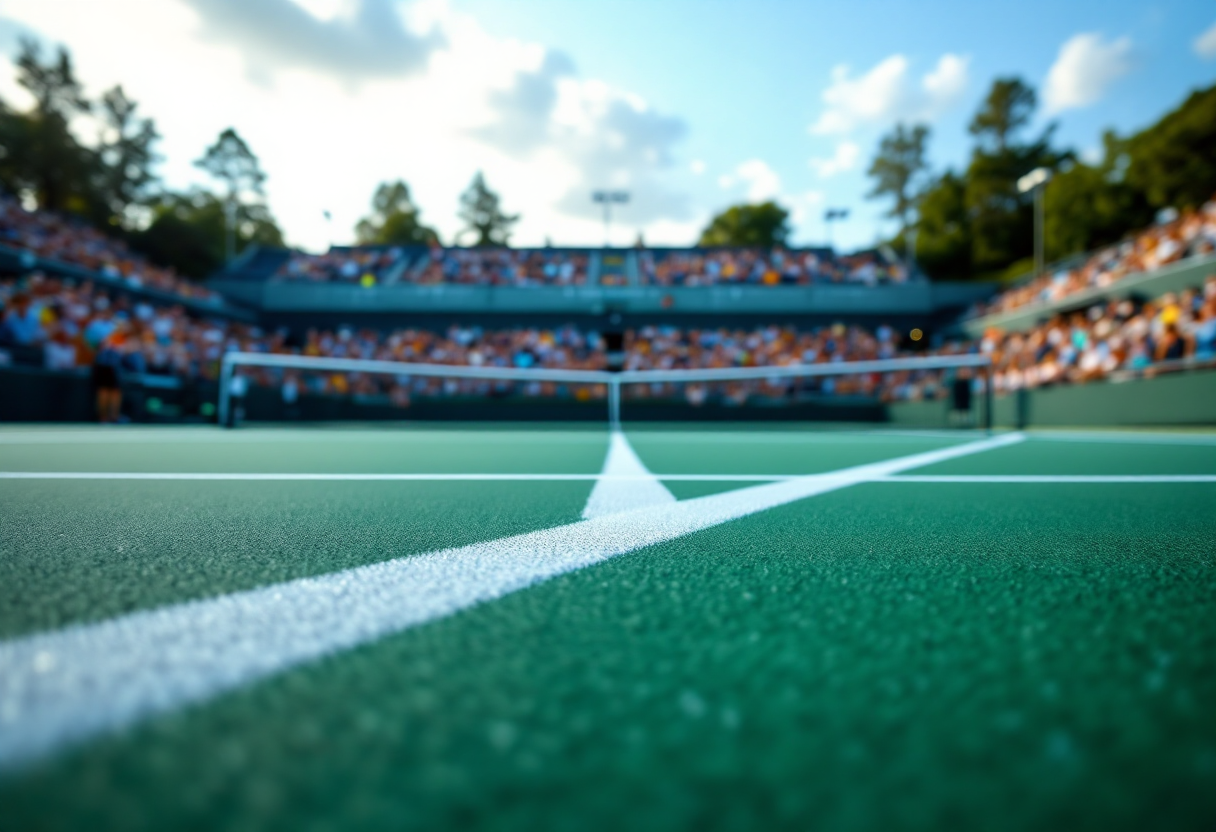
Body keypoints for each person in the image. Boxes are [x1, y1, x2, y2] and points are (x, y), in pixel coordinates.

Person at [92, 331, 125, 423]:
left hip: (112, 367)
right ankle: (104, 417)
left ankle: (113, 417)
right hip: (104, 366)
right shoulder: (106, 336)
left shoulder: (118, 336)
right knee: (104, 392)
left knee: (114, 392)